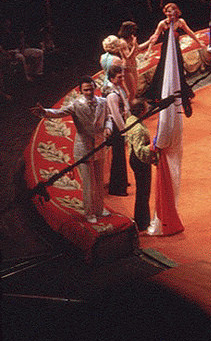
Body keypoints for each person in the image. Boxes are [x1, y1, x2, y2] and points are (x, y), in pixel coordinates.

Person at [33, 78, 110, 223]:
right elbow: (59, 112)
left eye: (91, 89)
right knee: (88, 183)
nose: (89, 92)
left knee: (99, 181)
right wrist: (44, 112)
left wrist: (108, 128)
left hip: (100, 145)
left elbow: (108, 118)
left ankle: (100, 209)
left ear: (95, 87)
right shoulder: (76, 104)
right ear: (80, 91)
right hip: (83, 148)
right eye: (86, 90)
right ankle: (89, 212)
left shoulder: (103, 102)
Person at [141, 3, 202, 116]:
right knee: (162, 70)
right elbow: (154, 38)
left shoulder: (180, 22)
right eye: (168, 11)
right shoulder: (162, 24)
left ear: (176, 12)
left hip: (176, 50)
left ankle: (181, 93)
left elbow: (189, 32)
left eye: (172, 11)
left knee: (178, 70)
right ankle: (158, 96)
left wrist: (199, 42)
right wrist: (148, 51)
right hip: (166, 50)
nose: (169, 14)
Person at [124, 98, 157, 231]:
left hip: (134, 157)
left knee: (142, 191)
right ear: (141, 111)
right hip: (139, 160)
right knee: (143, 192)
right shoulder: (138, 129)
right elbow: (140, 150)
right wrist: (153, 147)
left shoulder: (130, 120)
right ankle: (142, 222)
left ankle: (142, 220)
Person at [105, 64, 131, 197]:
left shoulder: (117, 89)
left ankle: (122, 181)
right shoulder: (111, 95)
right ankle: (116, 187)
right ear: (111, 78)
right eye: (119, 77)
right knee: (118, 158)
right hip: (117, 127)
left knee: (121, 157)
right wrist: (125, 131)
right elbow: (115, 115)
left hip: (120, 124)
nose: (121, 79)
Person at [117, 21, 141, 101]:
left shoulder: (132, 37)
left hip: (134, 66)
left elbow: (138, 49)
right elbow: (128, 57)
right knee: (131, 91)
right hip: (127, 67)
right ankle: (129, 109)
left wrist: (150, 41)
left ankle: (134, 107)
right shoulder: (122, 42)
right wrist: (134, 45)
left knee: (136, 88)